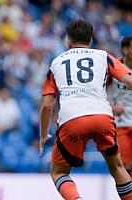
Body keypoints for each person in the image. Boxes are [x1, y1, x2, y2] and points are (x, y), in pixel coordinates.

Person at [39, 19, 132, 200]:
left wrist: (43, 136)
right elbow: (128, 80)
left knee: (59, 173)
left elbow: (47, 105)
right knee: (118, 168)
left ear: (69, 41)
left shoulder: (57, 62)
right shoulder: (103, 56)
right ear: (91, 40)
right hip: (103, 117)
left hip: (72, 119)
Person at [109, 36, 132, 178]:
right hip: (121, 123)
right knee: (124, 167)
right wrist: (111, 108)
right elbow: (98, 92)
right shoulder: (113, 67)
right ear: (126, 49)